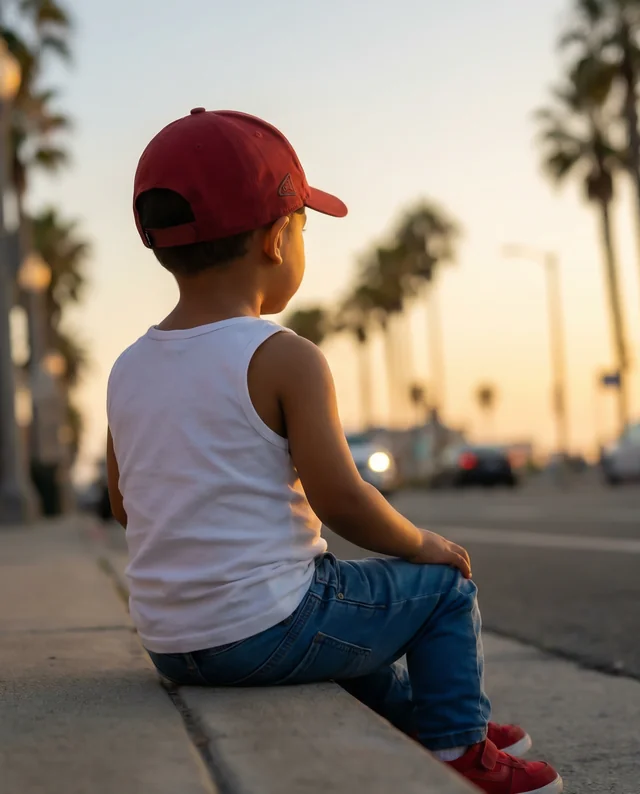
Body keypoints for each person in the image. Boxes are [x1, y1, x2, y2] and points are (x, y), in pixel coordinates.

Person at [106, 108, 563, 794]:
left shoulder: (127, 368)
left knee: (335, 604)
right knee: (438, 592)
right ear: (275, 239)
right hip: (263, 632)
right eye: (304, 228)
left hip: (174, 645)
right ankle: (457, 750)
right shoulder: (283, 356)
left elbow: (124, 506)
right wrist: (423, 545)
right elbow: (342, 499)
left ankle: (428, 715)